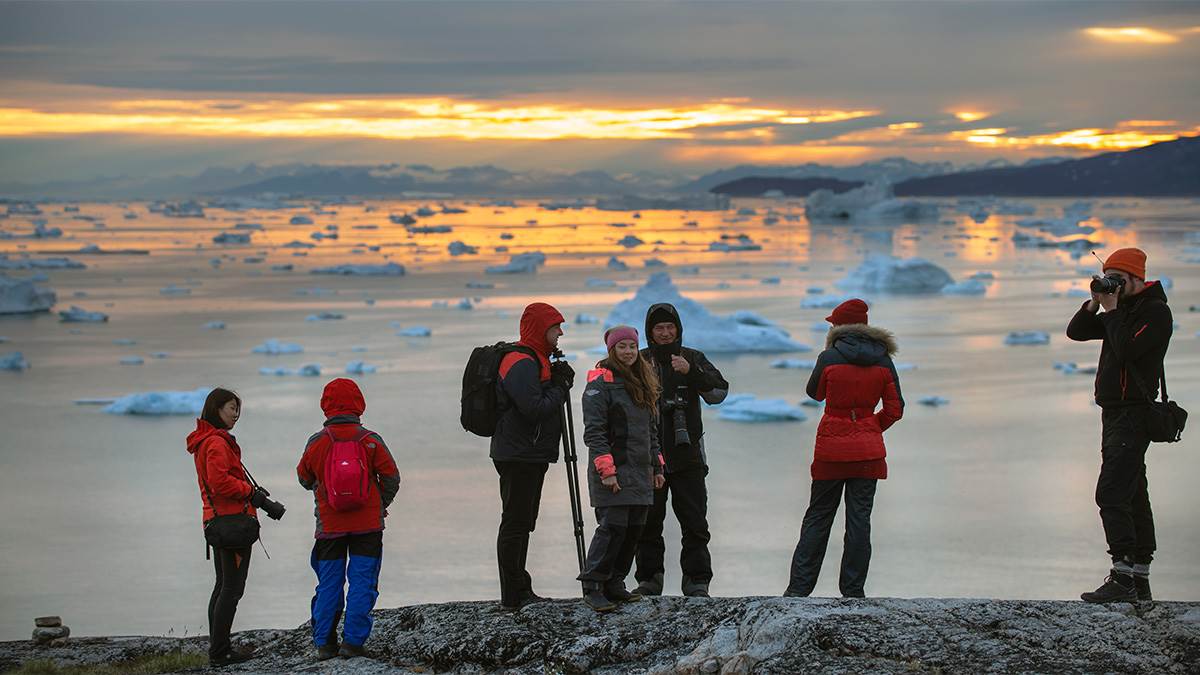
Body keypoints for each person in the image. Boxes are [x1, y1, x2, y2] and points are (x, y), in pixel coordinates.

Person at [1066, 248, 1173, 603]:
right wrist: (1095, 303)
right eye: (1107, 277)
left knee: (1110, 492)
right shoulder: (1120, 310)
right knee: (1133, 493)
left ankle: (1123, 576)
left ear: (1136, 278)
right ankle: (1139, 578)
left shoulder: (1155, 312)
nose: (1112, 284)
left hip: (1134, 413)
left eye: (1117, 279)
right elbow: (1076, 332)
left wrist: (1112, 311)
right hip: (1113, 413)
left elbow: (1127, 349)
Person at [784, 299, 903, 599]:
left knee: (818, 517)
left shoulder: (829, 357)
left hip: (831, 452)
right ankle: (853, 591)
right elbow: (895, 408)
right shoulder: (884, 360)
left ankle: (799, 590)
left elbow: (814, 393)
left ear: (839, 326)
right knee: (859, 521)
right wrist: (869, 426)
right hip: (868, 452)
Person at [297, 378, 400, 660]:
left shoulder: (317, 442)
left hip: (330, 526)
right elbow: (391, 477)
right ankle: (353, 643)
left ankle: (325, 644)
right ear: (359, 404)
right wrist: (379, 504)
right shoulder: (370, 440)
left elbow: (304, 478)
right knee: (362, 580)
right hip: (367, 525)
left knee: (329, 582)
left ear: (325, 406)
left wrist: (326, 493)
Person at [634, 303, 728, 598]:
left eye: (669, 327)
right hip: (649, 457)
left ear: (678, 329)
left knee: (695, 522)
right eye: (658, 328)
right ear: (650, 332)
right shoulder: (639, 360)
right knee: (647, 523)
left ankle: (697, 581)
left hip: (688, 456)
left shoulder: (692, 358)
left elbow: (719, 393)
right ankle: (650, 580)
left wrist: (692, 372)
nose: (664, 333)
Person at [490, 302, 575, 609]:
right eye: (555, 327)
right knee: (515, 521)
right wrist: (560, 387)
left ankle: (520, 586)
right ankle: (512, 593)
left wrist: (554, 380)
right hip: (518, 453)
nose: (560, 333)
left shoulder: (536, 359)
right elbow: (533, 408)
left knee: (523, 520)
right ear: (541, 328)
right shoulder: (521, 361)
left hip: (527, 451)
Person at [578, 326, 665, 611]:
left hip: (640, 470)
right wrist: (607, 471)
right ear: (611, 350)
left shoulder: (642, 380)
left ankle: (616, 583)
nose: (628, 352)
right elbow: (595, 432)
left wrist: (657, 466)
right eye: (622, 347)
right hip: (615, 470)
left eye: (631, 346)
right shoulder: (600, 383)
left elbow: (651, 430)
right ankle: (593, 585)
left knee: (633, 530)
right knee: (613, 527)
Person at [187, 388, 276, 667]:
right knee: (232, 589)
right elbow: (220, 482)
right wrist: (252, 494)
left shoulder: (207, 440)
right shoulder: (216, 443)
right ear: (216, 409)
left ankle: (218, 647)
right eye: (230, 408)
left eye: (238, 409)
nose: (236, 414)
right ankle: (221, 652)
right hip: (232, 524)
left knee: (223, 585)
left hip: (218, 521)